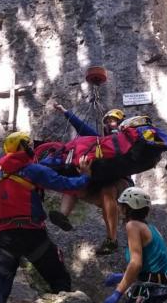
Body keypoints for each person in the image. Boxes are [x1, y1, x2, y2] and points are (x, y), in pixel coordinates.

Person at [0, 131, 93, 303]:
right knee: (59, 278)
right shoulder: (33, 170)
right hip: (31, 234)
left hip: (3, 235)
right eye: (29, 145)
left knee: (0, 287)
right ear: (25, 147)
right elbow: (67, 185)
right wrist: (85, 175)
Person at [49, 104, 129, 255]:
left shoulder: (126, 141)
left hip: (119, 182)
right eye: (108, 121)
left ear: (121, 123)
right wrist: (65, 111)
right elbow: (82, 127)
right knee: (73, 183)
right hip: (98, 182)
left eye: (113, 120)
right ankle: (63, 215)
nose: (109, 123)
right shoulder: (100, 141)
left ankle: (111, 239)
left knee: (108, 191)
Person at [100, 187, 167, 303]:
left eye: (121, 205)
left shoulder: (133, 226)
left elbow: (136, 264)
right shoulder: (151, 228)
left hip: (151, 291)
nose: (118, 208)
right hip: (163, 287)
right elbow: (152, 264)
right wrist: (122, 276)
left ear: (127, 208)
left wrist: (117, 293)